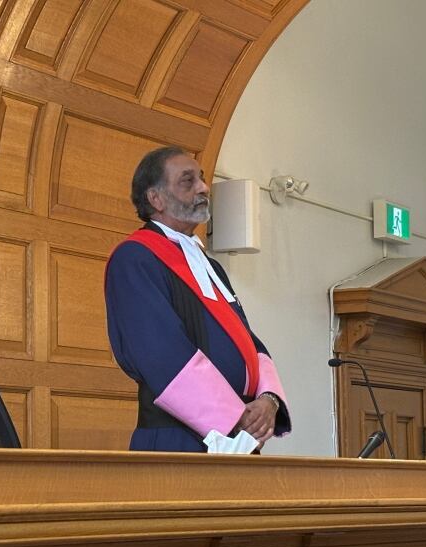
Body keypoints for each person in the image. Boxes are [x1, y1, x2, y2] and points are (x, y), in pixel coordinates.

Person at [105, 146, 291, 452]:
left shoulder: (207, 263)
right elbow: (160, 353)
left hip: (235, 437)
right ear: (156, 199)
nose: (204, 188)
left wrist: (268, 400)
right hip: (178, 442)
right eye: (187, 181)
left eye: (201, 179)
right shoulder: (135, 258)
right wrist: (235, 416)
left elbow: (246, 339)